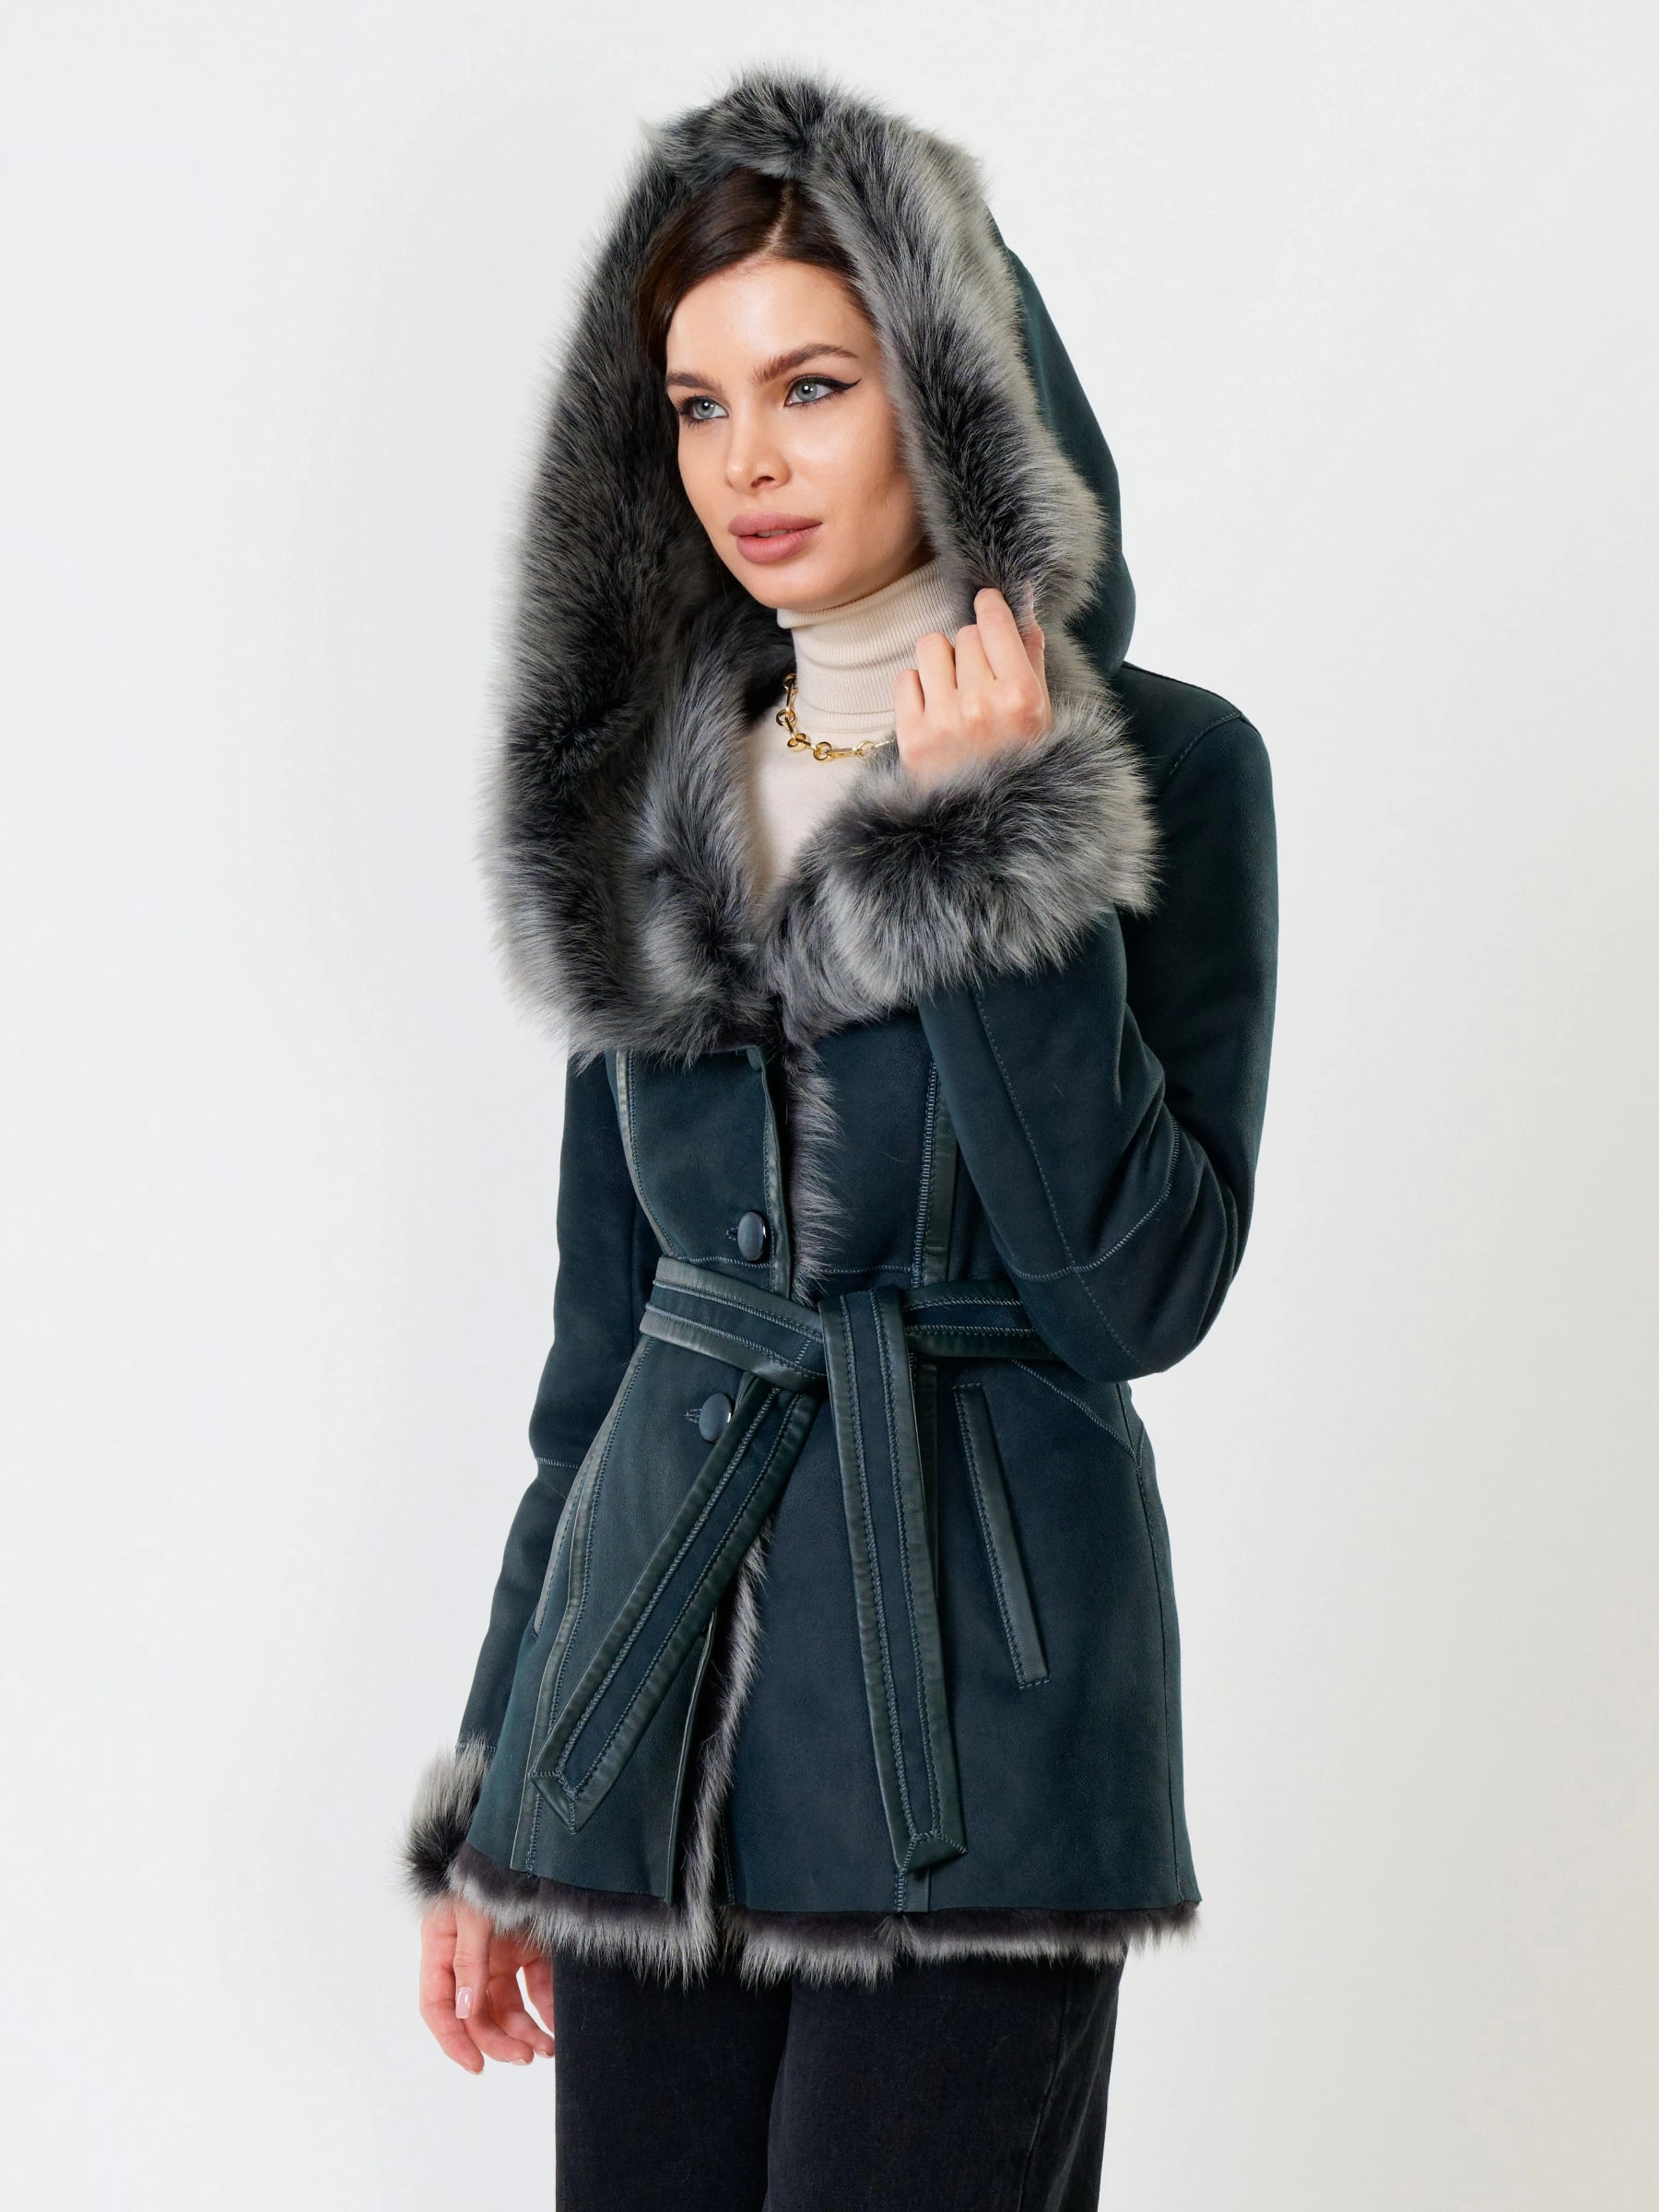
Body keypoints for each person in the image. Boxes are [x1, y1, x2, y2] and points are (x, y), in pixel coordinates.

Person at [403, 65, 1277, 2211]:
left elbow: (1138, 1292)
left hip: (982, 1736)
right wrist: (511, 1782)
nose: (751, 462)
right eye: (699, 406)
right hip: (647, 1725)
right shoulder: (661, 796)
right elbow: (604, 1362)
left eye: (812, 385)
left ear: (961, 399)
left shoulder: (1168, 769)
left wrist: (1001, 856)